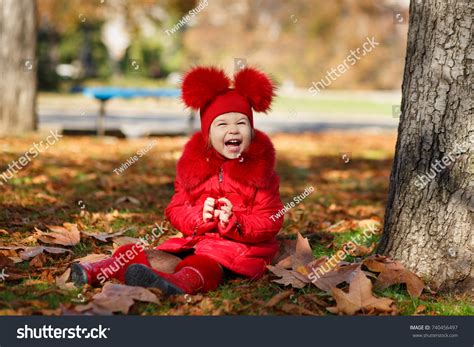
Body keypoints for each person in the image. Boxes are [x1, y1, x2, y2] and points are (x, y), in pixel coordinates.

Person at [71, 66, 284, 295]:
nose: (233, 130)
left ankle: (181, 283)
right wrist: (198, 218)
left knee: (204, 263)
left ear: (251, 131)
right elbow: (176, 208)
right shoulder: (193, 169)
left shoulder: (260, 174)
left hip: (238, 248)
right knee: (145, 254)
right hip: (196, 242)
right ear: (208, 134)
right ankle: (99, 271)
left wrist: (235, 221)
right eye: (222, 124)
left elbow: (271, 219)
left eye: (241, 123)